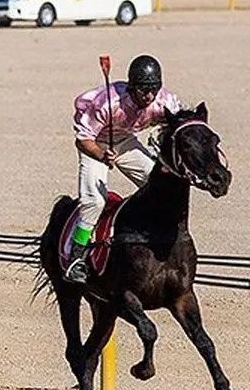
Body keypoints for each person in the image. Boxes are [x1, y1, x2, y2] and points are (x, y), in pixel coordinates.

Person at [64, 54, 184, 283]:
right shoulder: (106, 103)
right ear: (131, 87)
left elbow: (180, 125)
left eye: (154, 89)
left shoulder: (163, 101)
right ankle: (75, 257)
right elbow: (82, 140)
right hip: (96, 143)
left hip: (125, 141)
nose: (149, 96)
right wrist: (101, 155)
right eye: (143, 90)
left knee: (160, 184)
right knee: (95, 201)